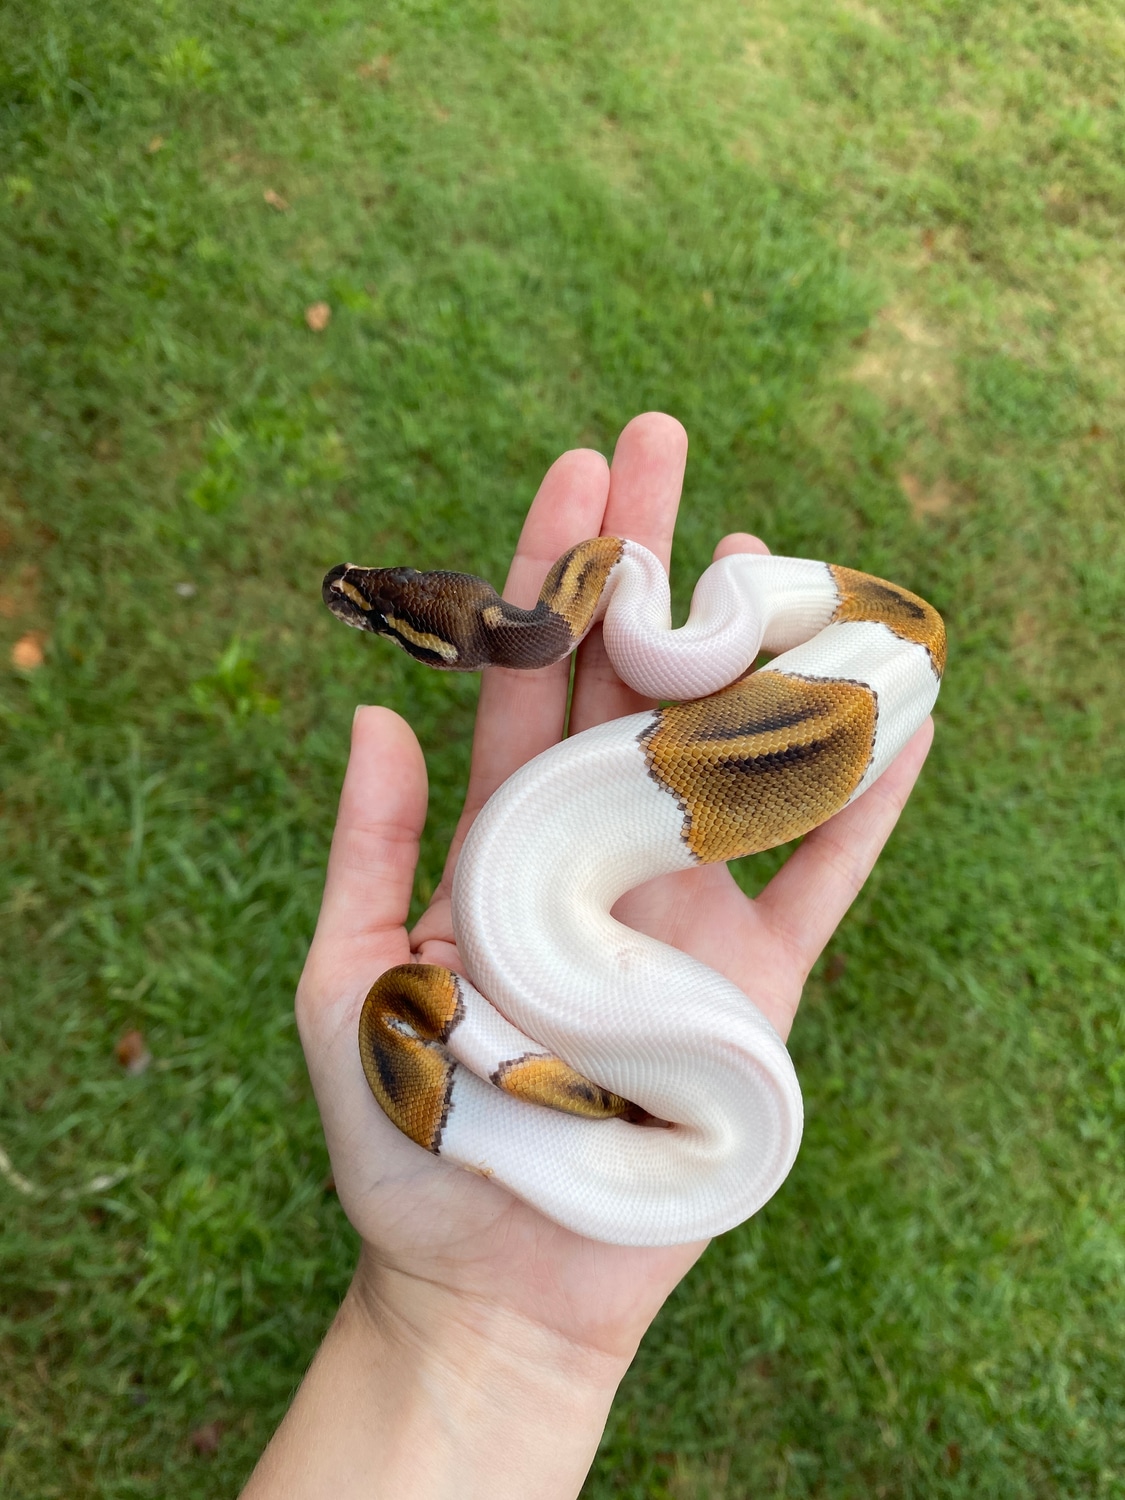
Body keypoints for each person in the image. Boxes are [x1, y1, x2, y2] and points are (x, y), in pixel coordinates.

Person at [241, 413, 933, 1499]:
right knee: (740, 629)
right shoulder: (626, 617)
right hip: (862, 650)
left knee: (722, 639)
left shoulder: (597, 635)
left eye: (379, 613)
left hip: (829, 663)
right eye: (381, 609)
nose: (362, 607)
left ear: (447, 640)